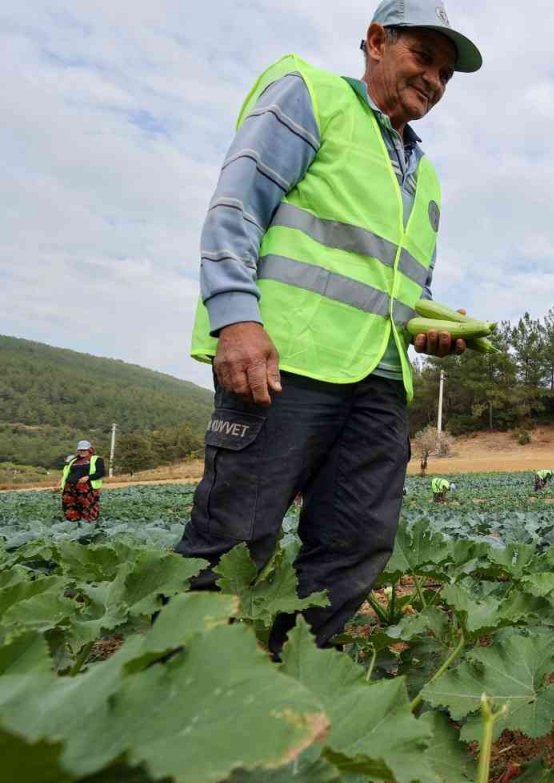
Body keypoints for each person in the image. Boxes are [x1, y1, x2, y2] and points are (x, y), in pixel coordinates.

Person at [176, 0, 483, 652]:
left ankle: (289, 672)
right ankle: (181, 691)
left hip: (377, 380)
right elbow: (235, 207)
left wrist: (431, 328)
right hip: (285, 362)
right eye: (423, 57)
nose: (433, 79)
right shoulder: (311, 97)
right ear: (376, 41)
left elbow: (406, 289)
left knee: (358, 538)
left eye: (446, 72)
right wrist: (236, 320)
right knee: (234, 539)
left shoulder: (424, 176)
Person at [58, 440, 106, 522]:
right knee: (70, 507)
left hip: (87, 488)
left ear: (90, 449)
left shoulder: (96, 459)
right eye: (80, 450)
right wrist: (62, 481)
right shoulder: (73, 460)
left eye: (84, 450)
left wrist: (88, 477)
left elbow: (101, 473)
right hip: (70, 487)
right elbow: (68, 472)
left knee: (88, 507)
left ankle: (88, 526)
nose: (82, 452)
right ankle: (72, 525)